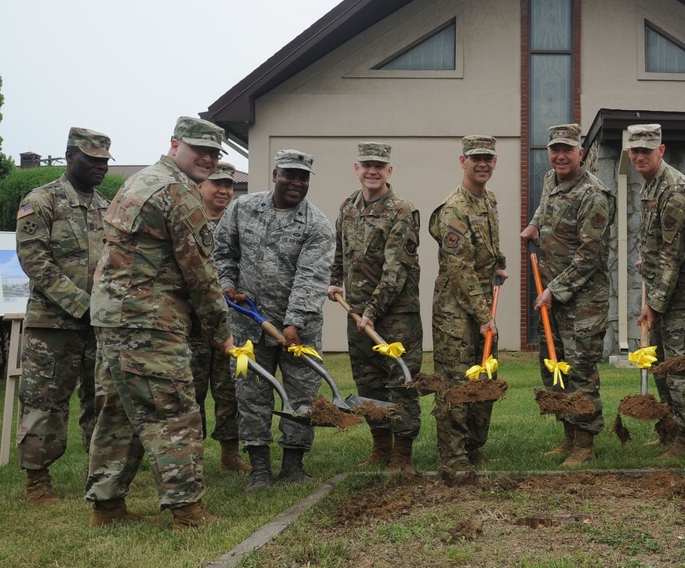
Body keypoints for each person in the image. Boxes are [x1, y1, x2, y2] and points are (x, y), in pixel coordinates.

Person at [84, 116, 233, 529]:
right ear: (174, 145)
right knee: (174, 411)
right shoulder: (179, 193)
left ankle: (107, 507)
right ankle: (187, 511)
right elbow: (201, 274)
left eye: (213, 153)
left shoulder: (137, 181)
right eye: (197, 149)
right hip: (149, 320)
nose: (206, 158)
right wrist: (222, 333)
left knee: (118, 412)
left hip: (113, 318)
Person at [215, 149, 334, 492]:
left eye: (303, 177)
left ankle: (294, 465)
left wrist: (293, 323)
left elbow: (311, 278)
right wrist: (227, 283)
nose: (296, 183)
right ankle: (260, 468)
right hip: (248, 322)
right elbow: (223, 250)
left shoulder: (316, 224)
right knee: (251, 393)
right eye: (289, 175)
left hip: (300, 327)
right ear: (275, 175)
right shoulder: (243, 208)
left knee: (301, 393)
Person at [16, 127, 112, 505]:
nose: (100, 167)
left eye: (105, 161)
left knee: (100, 400)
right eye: (93, 160)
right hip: (52, 325)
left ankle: (100, 475)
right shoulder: (41, 201)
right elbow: (35, 261)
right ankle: (37, 482)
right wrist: (82, 305)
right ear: (71, 157)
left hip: (99, 326)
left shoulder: (107, 207)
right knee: (45, 402)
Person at [520, 123, 614, 466]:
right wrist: (534, 224)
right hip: (551, 295)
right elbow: (546, 208)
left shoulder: (595, 194)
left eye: (567, 150)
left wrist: (553, 291)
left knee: (581, 371)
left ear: (581, 153)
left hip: (582, 300)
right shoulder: (551, 180)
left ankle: (585, 444)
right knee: (554, 367)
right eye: (555, 149)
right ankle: (568, 435)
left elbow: (590, 255)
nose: (560, 156)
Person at [327, 142, 422, 472]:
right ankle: (381, 445)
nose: (372, 170)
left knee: (400, 383)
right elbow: (340, 253)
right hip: (356, 314)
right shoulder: (348, 207)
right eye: (366, 164)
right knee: (368, 382)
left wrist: (372, 311)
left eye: (379, 166)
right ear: (357, 168)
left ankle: (403, 453)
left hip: (396, 316)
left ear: (389, 171)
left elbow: (397, 269)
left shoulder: (401, 211)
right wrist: (336, 282)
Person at [626, 124, 685, 459]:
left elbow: (673, 255)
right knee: (661, 363)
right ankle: (670, 428)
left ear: (661, 150)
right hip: (667, 289)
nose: (639, 156)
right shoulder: (652, 185)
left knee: (680, 367)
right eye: (634, 150)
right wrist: (647, 262)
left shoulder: (673, 191)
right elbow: (662, 246)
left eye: (647, 150)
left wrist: (654, 306)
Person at [429, 135, 507, 472]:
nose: (482, 164)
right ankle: (454, 456)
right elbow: (459, 269)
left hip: (480, 306)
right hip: (455, 314)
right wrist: (482, 315)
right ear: (463, 162)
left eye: (488, 158)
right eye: (476, 158)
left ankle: (474, 447)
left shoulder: (487, 199)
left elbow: (487, 246)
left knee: (483, 377)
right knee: (456, 383)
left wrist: (499, 263)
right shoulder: (454, 209)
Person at [189, 162, 249, 472]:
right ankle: (193, 457)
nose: (225, 190)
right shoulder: (188, 221)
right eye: (217, 184)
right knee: (192, 392)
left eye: (229, 185)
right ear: (201, 186)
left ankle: (230, 455)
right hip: (194, 326)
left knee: (230, 391)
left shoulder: (239, 226)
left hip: (230, 323)